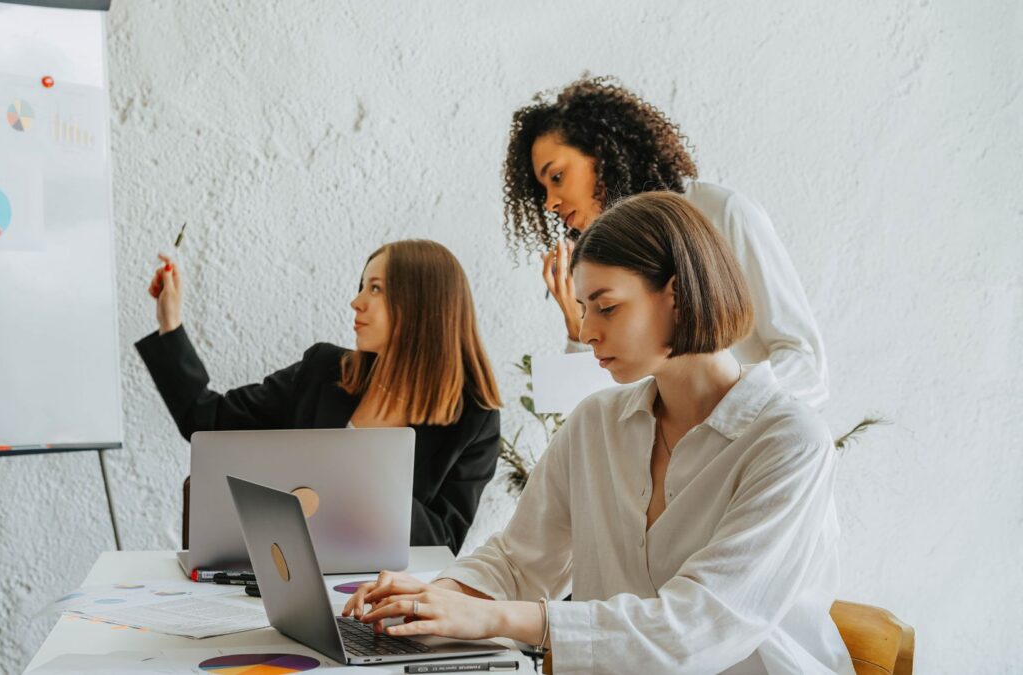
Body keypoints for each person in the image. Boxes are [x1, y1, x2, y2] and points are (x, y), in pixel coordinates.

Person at [344, 193, 852, 674]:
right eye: (583, 308)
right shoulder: (596, 423)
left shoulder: (789, 442)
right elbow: (519, 561)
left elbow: (697, 629)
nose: (586, 332)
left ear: (676, 295)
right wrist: (429, 599)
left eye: (605, 307)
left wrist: (496, 619)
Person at [136, 239, 502, 554]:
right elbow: (205, 420)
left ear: (423, 305)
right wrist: (170, 323)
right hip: (287, 573)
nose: (356, 302)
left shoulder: (474, 419)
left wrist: (363, 472)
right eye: (362, 285)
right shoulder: (324, 371)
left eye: (375, 288)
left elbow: (443, 544)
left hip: (380, 596)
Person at [504, 76, 829, 407]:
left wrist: (721, 416)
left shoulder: (721, 214)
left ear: (603, 154)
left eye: (557, 177)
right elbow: (594, 412)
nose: (549, 203)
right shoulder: (602, 264)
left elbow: (805, 365)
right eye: (543, 190)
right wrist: (578, 325)